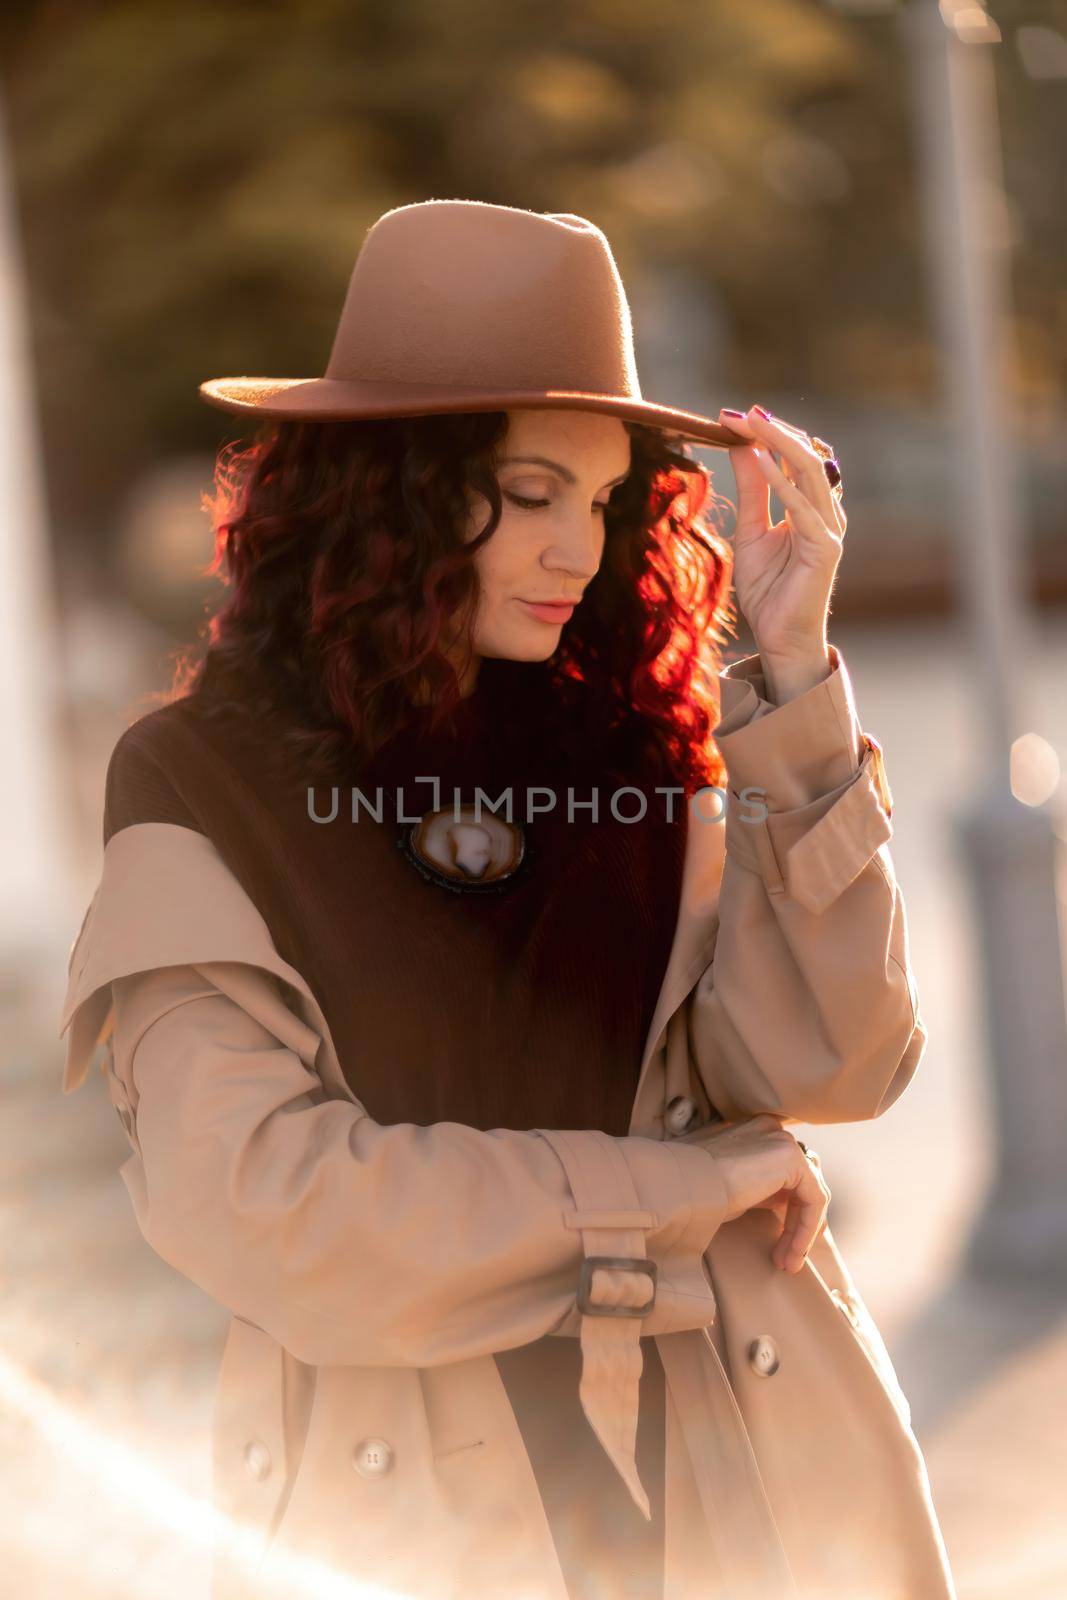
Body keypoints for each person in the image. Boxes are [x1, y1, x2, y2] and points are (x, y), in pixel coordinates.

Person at [59, 200, 956, 1599]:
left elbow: (828, 1065)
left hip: (737, 1474)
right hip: (402, 1522)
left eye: (601, 503)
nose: (577, 553)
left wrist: (793, 693)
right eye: (530, 494)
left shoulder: (638, 760)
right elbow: (268, 1211)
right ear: (391, 491)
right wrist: (678, 1198)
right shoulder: (199, 781)